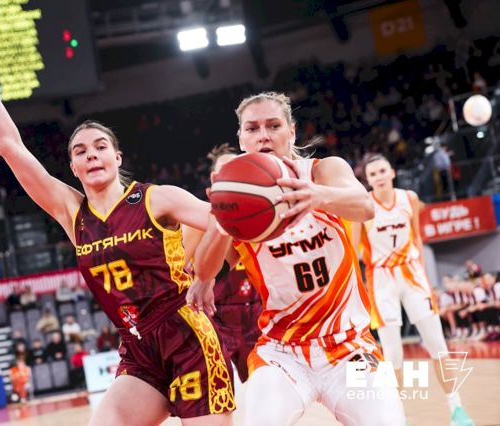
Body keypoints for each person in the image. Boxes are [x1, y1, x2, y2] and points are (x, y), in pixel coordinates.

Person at [0, 17, 234, 425]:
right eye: (80, 151)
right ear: (73, 167)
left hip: (186, 338)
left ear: (117, 157)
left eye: (100, 147)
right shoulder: (71, 212)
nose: (91, 154)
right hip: (138, 351)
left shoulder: (156, 197)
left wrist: (205, 274)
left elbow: (225, 217)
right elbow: (9, 146)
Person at [188, 91, 405, 426]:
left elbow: (365, 207)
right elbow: (206, 270)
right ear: (242, 139)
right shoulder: (238, 200)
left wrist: (317, 196)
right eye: (252, 128)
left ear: (291, 131)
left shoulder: (323, 171)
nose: (263, 135)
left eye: (273, 126)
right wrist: (220, 218)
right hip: (282, 352)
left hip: (350, 346)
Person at [353, 154, 474, 426]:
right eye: (373, 174)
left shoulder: (409, 198)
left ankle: (457, 409)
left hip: (412, 275)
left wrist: (424, 277)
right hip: (381, 279)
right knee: (393, 354)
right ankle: (396, 417)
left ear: (392, 172)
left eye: (382, 171)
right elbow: (354, 252)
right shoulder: (363, 206)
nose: (379, 177)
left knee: (437, 345)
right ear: (367, 179)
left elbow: (417, 238)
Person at [182, 144, 262, 384]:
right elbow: (174, 268)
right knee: (222, 394)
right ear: (213, 180)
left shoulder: (265, 213)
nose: (231, 175)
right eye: (224, 171)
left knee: (262, 391)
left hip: (257, 316)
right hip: (215, 318)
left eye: (236, 169)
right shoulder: (199, 218)